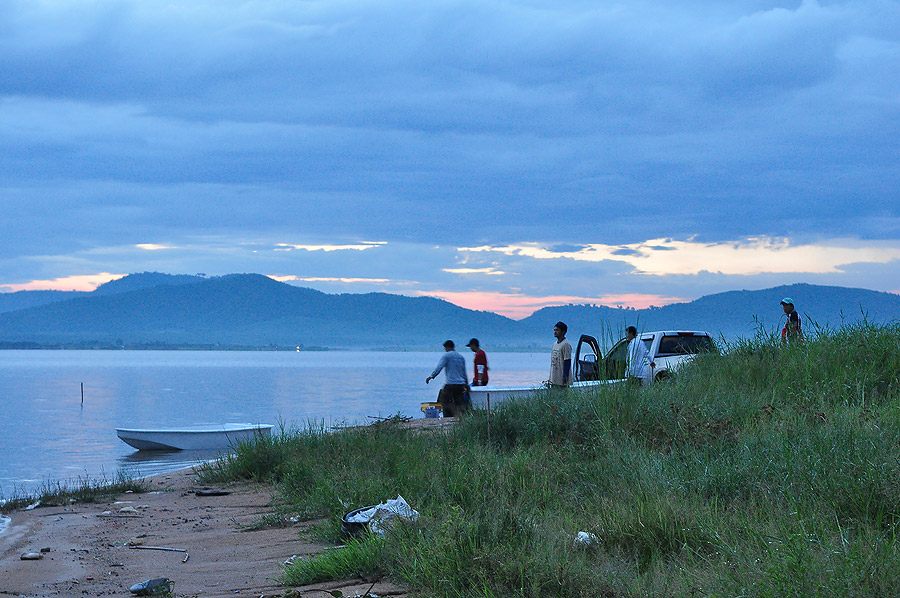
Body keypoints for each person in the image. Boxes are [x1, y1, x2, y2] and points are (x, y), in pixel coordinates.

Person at [425, 340, 470, 416]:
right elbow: (464, 372)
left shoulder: (447, 356)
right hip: (460, 384)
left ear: (447, 347)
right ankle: (459, 415)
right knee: (459, 402)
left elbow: (439, 367)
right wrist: (466, 384)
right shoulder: (461, 357)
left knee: (444, 400)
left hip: (451, 383)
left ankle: (454, 414)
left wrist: (431, 376)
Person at [548, 321, 572, 387]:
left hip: (561, 380)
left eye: (557, 330)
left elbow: (567, 361)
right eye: (554, 330)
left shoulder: (566, 344)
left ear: (563, 332)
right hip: (554, 378)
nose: (555, 332)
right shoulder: (554, 344)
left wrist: (565, 377)